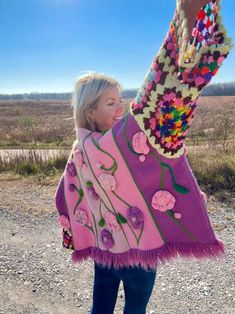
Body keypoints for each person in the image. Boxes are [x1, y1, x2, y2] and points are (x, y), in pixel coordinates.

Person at [55, 1, 232, 313]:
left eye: (120, 99)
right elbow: (158, 95)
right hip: (138, 254)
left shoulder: (79, 148)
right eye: (111, 103)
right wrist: (186, 27)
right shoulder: (120, 140)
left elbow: (65, 197)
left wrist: (78, 232)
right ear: (90, 111)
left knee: (101, 307)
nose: (121, 108)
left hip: (104, 248)